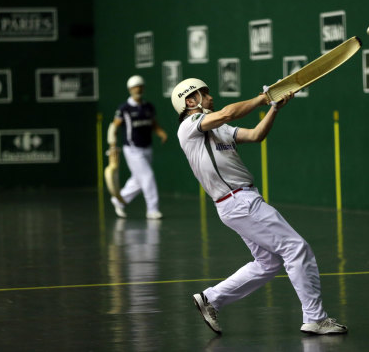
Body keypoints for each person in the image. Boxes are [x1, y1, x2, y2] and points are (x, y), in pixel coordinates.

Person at [171, 78, 347, 335]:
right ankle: (315, 318)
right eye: (204, 94)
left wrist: (274, 108)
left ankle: (211, 299)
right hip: (238, 201)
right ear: (190, 101)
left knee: (268, 263)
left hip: (239, 202)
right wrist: (264, 98)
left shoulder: (219, 130)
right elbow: (228, 112)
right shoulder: (189, 127)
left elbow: (256, 135)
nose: (210, 97)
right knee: (296, 248)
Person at [107, 75, 167, 219]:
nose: (138, 89)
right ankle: (152, 210)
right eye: (135, 87)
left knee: (138, 180)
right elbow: (113, 127)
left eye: (140, 86)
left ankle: (118, 200)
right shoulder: (124, 108)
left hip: (147, 147)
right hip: (132, 149)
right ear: (130, 89)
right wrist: (112, 145)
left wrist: (160, 132)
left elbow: (153, 123)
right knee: (148, 176)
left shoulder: (148, 107)